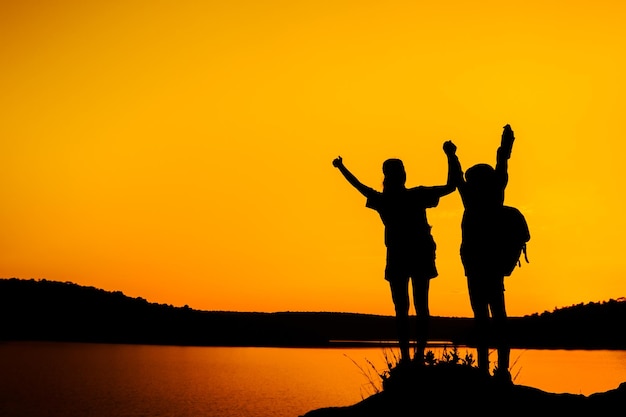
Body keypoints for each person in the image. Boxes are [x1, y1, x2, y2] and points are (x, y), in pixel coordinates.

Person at [332, 141, 459, 364]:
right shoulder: (413, 196)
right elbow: (451, 186)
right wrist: (450, 155)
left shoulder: (386, 200)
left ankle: (411, 358)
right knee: (418, 306)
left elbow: (358, 186)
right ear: (402, 175)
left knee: (404, 308)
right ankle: (415, 357)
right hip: (415, 254)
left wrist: (342, 168)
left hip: (405, 255)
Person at [452, 124, 516, 381]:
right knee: (497, 315)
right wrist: (506, 142)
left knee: (483, 317)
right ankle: (500, 369)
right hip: (490, 264)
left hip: (478, 264)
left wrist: (451, 155)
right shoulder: (495, 193)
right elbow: (501, 162)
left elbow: (457, 178)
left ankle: (485, 369)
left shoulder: (472, 199)